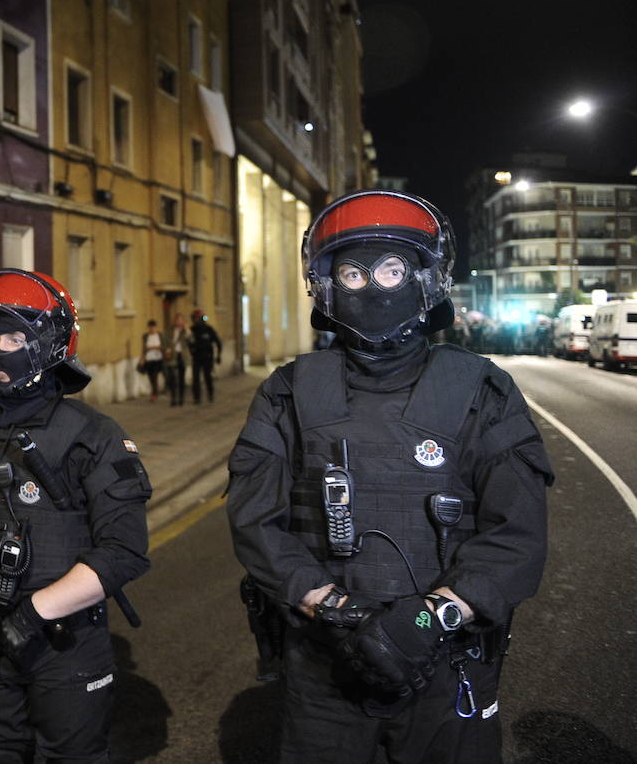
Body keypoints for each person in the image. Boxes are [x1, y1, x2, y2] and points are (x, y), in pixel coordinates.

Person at [225, 190, 552, 764]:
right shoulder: (288, 391)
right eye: (352, 273)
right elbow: (255, 521)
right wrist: (331, 607)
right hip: (326, 664)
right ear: (326, 285)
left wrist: (431, 618)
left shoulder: (483, 389)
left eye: (392, 270)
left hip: (447, 661)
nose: (372, 288)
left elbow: (517, 534)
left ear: (426, 279)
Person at [0, 269, 152, 764]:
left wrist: (35, 612)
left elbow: (123, 550)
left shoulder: (94, 434)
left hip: (64, 644)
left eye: (14, 338)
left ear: (48, 344)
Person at [187, 308, 222, 404]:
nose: (196, 320)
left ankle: (210, 394)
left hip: (207, 357)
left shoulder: (208, 329)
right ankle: (197, 398)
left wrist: (219, 355)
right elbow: (188, 342)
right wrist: (191, 350)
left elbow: (218, 342)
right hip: (196, 357)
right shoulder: (192, 330)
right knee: (195, 378)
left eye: (197, 318)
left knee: (208, 377)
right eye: (194, 318)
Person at [163, 312, 188, 406]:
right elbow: (165, 341)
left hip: (182, 356)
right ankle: (173, 399)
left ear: (183, 321)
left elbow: (192, 340)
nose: (178, 322)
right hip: (172, 355)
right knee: (172, 378)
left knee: (181, 378)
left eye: (180, 320)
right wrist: (166, 349)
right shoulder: (169, 330)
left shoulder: (185, 331)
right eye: (177, 320)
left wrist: (187, 330)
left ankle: (181, 399)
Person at [140, 320, 164, 402]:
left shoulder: (160, 335)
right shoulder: (145, 336)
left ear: (156, 327)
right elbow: (144, 348)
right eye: (150, 327)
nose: (152, 329)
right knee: (151, 377)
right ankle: (155, 392)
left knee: (154, 375)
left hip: (158, 358)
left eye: (153, 327)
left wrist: (152, 347)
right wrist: (142, 358)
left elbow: (162, 346)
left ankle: (154, 393)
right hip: (149, 358)